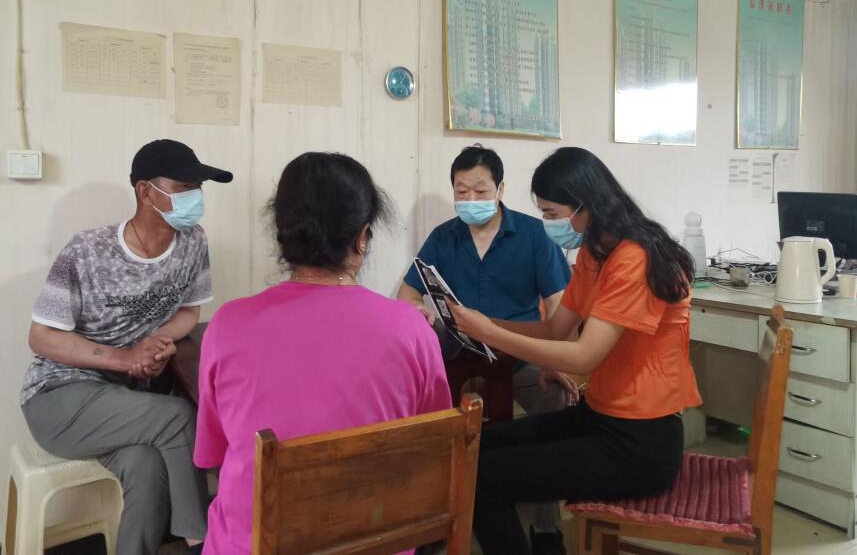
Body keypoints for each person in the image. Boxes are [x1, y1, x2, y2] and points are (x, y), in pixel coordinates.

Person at [446, 147, 702, 555]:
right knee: (478, 445)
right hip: (600, 417)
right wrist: (483, 323)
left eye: (552, 213)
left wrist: (489, 332)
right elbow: (555, 329)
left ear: (585, 205)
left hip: (640, 442)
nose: (548, 223)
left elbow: (584, 356)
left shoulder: (633, 258)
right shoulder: (594, 252)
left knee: (484, 478)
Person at [194, 152, 451, 555]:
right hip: (376, 543)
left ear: (282, 234)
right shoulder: (412, 329)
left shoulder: (227, 326)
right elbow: (435, 453)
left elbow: (212, 453)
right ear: (362, 237)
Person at [21, 139, 233, 555]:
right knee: (178, 418)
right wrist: (125, 358)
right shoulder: (87, 251)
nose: (195, 196)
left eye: (198, 187)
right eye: (183, 186)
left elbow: (189, 311)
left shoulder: (193, 242)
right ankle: (202, 542)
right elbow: (41, 337)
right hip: (59, 396)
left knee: (146, 466)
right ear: (145, 192)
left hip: (127, 401)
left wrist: (157, 342)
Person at [397, 144, 575, 554]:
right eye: (462, 192)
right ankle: (433, 523)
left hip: (520, 359)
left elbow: (560, 309)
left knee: (555, 399)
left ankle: (546, 528)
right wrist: (420, 312)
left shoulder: (534, 235)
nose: (470, 200)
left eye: (480, 191)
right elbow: (407, 294)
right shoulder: (443, 237)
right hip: (459, 362)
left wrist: (556, 358)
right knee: (423, 411)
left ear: (500, 189)